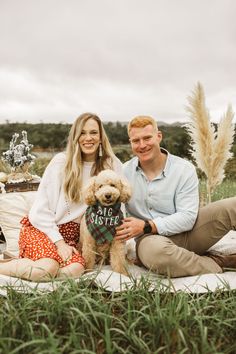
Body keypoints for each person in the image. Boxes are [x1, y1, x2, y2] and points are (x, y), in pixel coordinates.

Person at [0, 113, 123, 281]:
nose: (88, 138)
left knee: (76, 270)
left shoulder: (112, 164)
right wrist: (59, 243)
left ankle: (27, 264)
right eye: (82, 133)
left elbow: (119, 208)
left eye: (93, 132)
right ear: (75, 137)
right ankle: (10, 265)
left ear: (101, 136)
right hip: (44, 229)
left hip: (74, 238)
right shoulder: (61, 162)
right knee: (47, 269)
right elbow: (39, 211)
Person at [116, 115, 236, 277]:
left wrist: (146, 224)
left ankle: (185, 261)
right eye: (136, 140)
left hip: (190, 233)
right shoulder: (123, 173)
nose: (142, 145)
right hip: (150, 241)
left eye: (147, 138)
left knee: (233, 206)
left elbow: (187, 218)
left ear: (158, 137)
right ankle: (219, 262)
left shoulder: (184, 169)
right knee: (156, 254)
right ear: (130, 142)